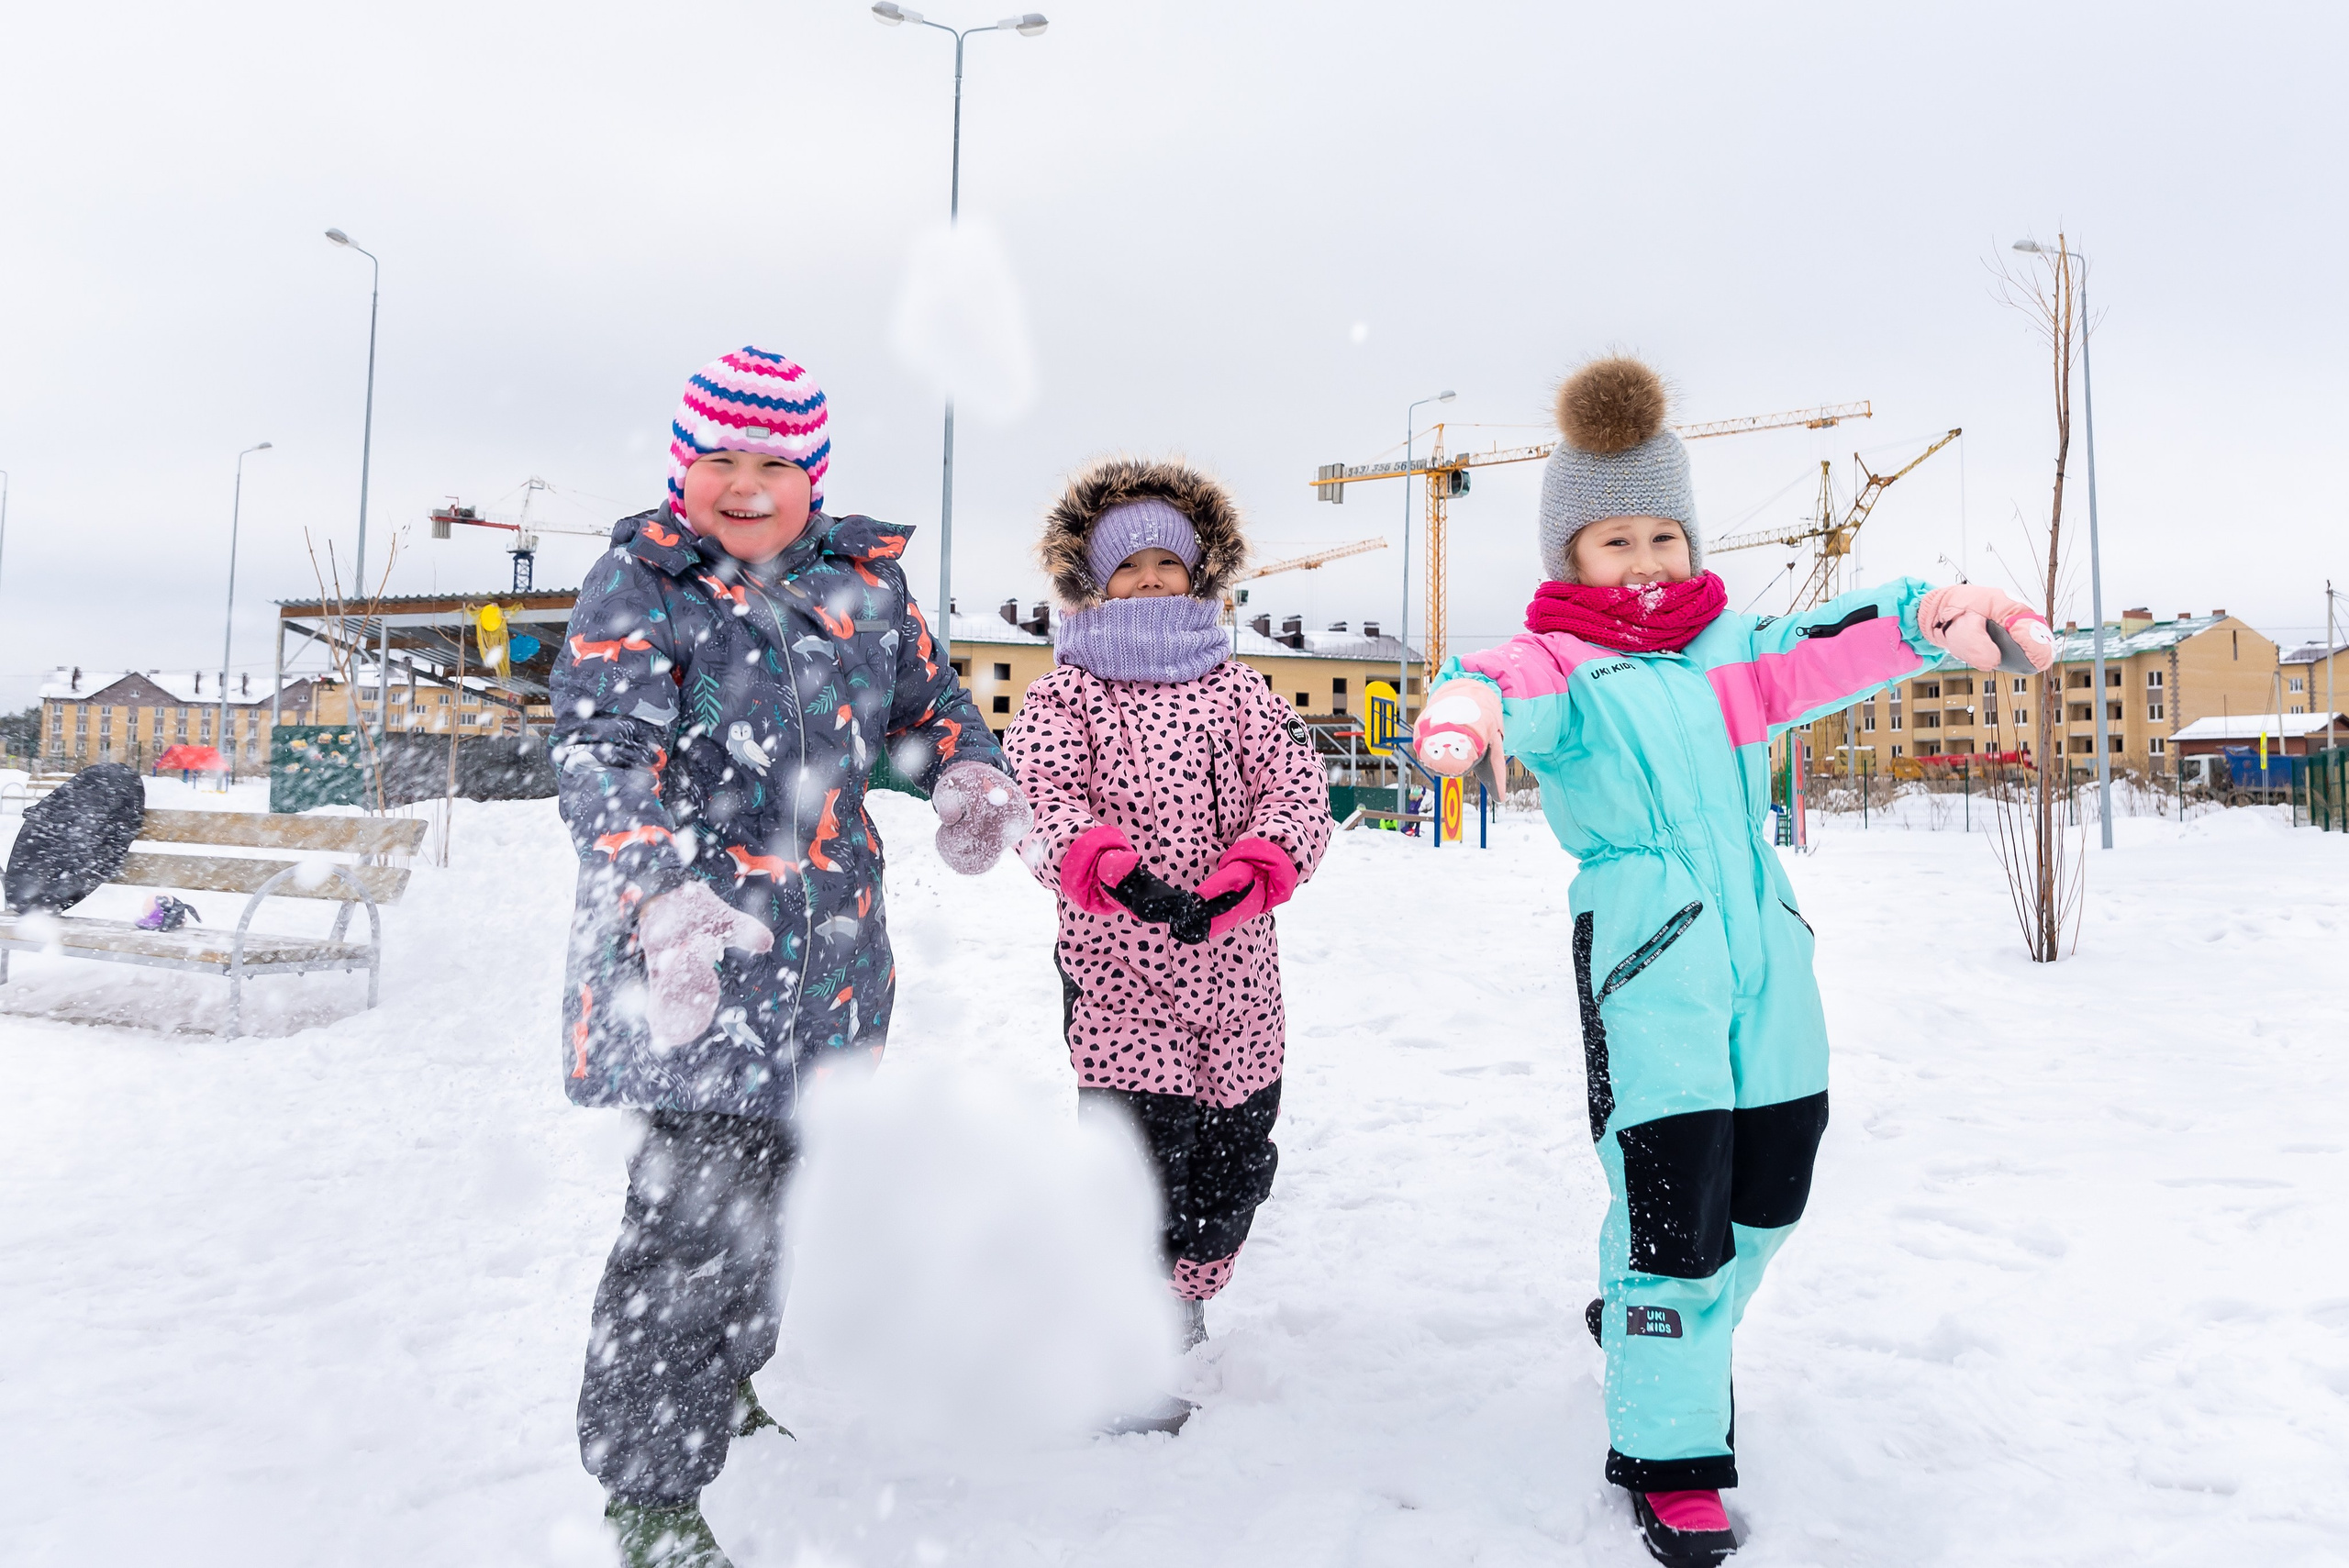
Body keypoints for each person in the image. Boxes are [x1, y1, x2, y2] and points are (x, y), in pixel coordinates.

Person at [1410, 357, 2054, 1566]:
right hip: (1649, 960)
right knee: (1675, 1216)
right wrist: (1467, 715)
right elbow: (1493, 686)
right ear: (1570, 555)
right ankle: (1673, 1457)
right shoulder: (1561, 664)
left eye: (1663, 534)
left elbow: (1838, 638)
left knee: (1772, 1186)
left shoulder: (1730, 651)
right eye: (1616, 540)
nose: (1646, 560)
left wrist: (1933, 614)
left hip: (1766, 946)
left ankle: (1647, 1320)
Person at [551, 347, 1032, 1567]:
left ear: (812, 473)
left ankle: (725, 1378)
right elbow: (604, 751)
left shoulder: (864, 586)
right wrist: (657, 893)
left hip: (826, 969)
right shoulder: (642, 583)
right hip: (692, 966)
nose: (746, 483)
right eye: (720, 458)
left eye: (773, 460)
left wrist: (968, 775)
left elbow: (930, 711)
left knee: (772, 1202)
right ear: (683, 467)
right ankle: (651, 1489)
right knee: (687, 1227)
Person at [1002, 459, 1331, 1431]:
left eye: (1167, 563)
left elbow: (1296, 791)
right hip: (1121, 976)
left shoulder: (1243, 691)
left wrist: (1254, 870)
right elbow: (1040, 798)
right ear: (1094, 581)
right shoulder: (1066, 695)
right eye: (1128, 565)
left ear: (1198, 574)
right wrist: (1114, 872)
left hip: (1239, 977)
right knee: (1137, 1163)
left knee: (1233, 1166)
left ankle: (1185, 1291)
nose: (1149, 578)